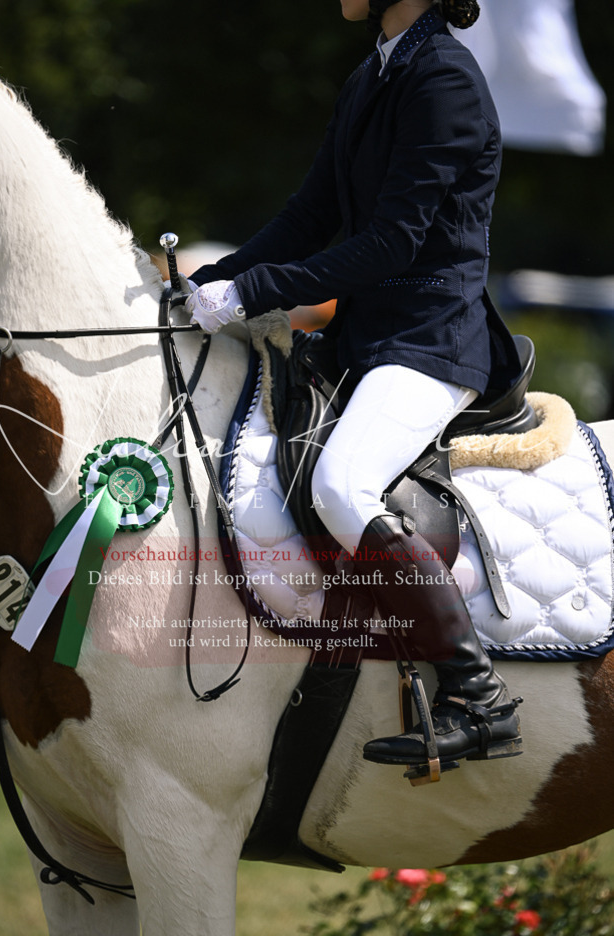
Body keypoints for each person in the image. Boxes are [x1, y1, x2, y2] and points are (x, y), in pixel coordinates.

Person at [185, 0, 523, 773]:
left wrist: (255, 290)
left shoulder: (445, 79)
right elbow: (312, 213)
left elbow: (394, 242)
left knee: (343, 484)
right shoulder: (375, 70)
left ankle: (480, 695)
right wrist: (208, 279)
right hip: (366, 341)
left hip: (430, 343)